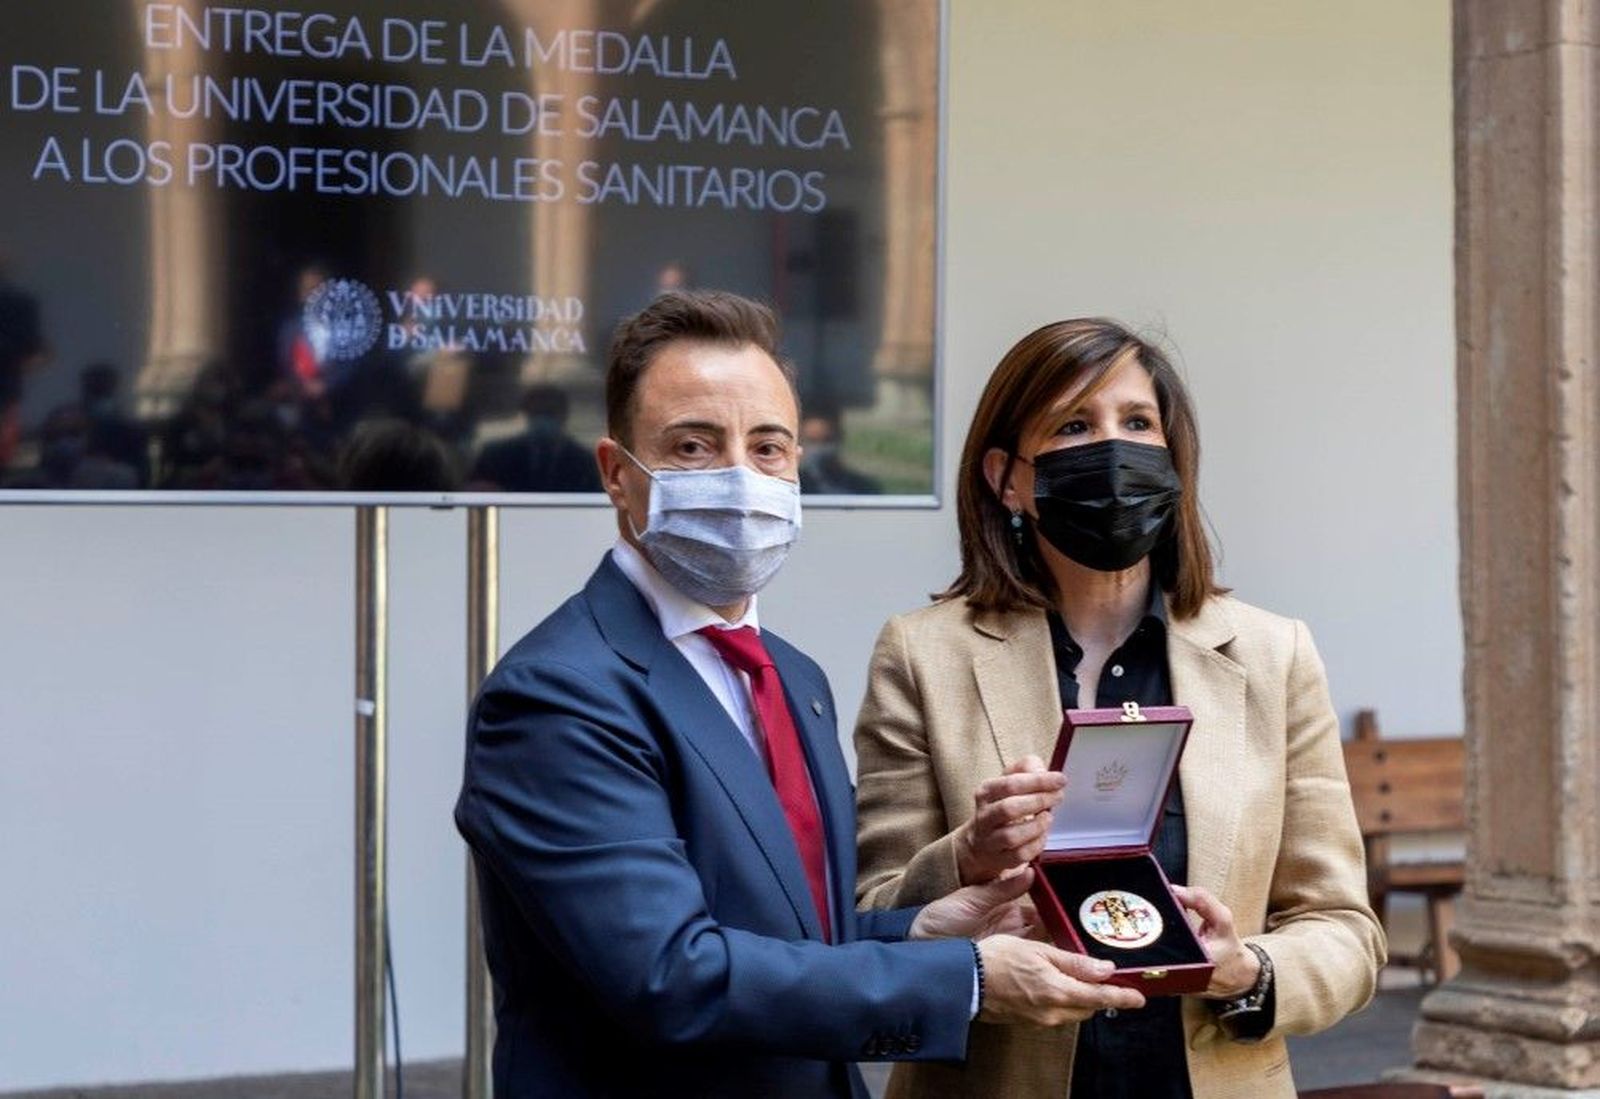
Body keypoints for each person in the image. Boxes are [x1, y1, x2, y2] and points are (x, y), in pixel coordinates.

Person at [453, 292, 1144, 1099]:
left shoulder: (791, 674)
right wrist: (970, 979)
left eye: (768, 447)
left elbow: (802, 932)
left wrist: (927, 927)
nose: (740, 478)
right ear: (616, 474)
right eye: (693, 445)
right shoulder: (556, 696)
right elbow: (673, 974)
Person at [853, 318, 1385, 1098]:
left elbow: (1346, 930)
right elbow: (875, 915)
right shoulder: (922, 654)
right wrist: (969, 855)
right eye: (1074, 425)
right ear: (1008, 479)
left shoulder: (1274, 656)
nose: (1115, 449)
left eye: (1138, 423)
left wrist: (1243, 970)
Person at [468, 383, 601, 492]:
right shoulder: (495, 455)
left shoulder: (586, 462)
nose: (544, 419)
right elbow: (472, 492)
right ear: (526, 413)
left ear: (563, 415)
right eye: (538, 412)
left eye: (550, 412)